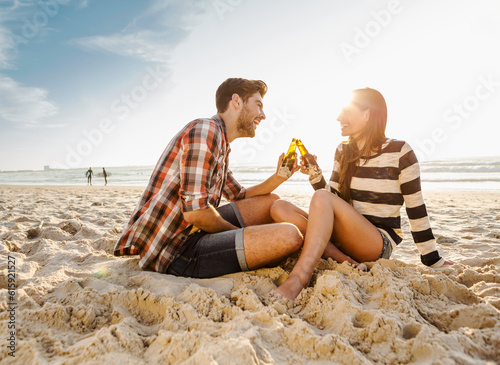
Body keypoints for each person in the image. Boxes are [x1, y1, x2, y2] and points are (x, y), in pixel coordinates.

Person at [270, 87, 453, 300]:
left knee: (318, 199)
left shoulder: (401, 152)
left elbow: (416, 207)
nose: (339, 118)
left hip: (376, 242)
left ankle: (299, 278)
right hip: (343, 236)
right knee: (278, 206)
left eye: (346, 112)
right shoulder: (343, 150)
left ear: (367, 115)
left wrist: (431, 258)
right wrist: (314, 174)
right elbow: (331, 199)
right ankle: (343, 259)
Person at [114, 78, 303, 278]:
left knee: (271, 201)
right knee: (289, 236)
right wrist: (235, 233)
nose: (263, 115)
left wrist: (279, 177)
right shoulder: (205, 130)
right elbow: (196, 213)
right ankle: (322, 238)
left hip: (193, 231)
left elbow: (239, 195)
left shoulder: (220, 141)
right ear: (236, 101)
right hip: (176, 251)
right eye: (258, 105)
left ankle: (321, 234)